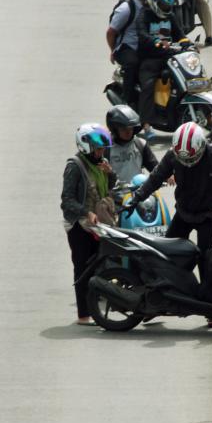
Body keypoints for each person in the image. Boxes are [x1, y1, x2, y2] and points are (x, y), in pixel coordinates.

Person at [126, 122, 212, 270]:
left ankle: (204, 292)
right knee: (167, 254)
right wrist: (137, 197)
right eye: (184, 160)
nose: (188, 164)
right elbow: (156, 177)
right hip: (183, 213)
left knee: (206, 262)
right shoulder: (173, 155)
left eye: (191, 159)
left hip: (207, 216)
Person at [61, 124, 116, 325]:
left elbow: (109, 189)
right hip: (80, 225)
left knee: (99, 265)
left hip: (98, 223)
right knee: (82, 267)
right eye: (98, 149)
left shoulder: (101, 163)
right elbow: (66, 200)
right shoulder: (74, 166)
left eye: (102, 149)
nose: (101, 153)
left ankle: (95, 308)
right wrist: (87, 212)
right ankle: (83, 314)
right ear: (86, 147)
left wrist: (110, 173)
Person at [136, 0, 187, 127]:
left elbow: (180, 34)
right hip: (149, 60)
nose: (167, 7)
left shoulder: (170, 16)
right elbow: (142, 34)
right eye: (164, 4)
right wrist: (156, 42)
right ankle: (146, 123)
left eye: (169, 4)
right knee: (148, 85)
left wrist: (187, 43)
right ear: (154, 0)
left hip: (169, 57)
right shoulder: (144, 15)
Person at [105, 0, 156, 111]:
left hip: (145, 45)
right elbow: (111, 32)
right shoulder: (127, 9)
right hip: (127, 47)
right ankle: (127, 103)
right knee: (132, 64)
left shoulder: (154, 5)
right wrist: (112, 50)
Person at [105, 104, 159, 182]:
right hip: (116, 191)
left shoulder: (140, 144)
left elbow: (154, 166)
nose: (128, 132)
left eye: (131, 129)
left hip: (139, 190)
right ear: (115, 129)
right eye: (124, 129)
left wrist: (167, 176)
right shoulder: (106, 148)